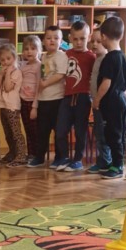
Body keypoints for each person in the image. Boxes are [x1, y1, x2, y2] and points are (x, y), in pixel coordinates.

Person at [92, 15, 126, 179]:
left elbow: (106, 82)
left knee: (113, 134)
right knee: (119, 133)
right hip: (121, 99)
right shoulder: (122, 56)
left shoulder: (109, 58)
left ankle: (117, 165)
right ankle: (117, 163)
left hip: (112, 102)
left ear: (104, 37)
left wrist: (97, 99)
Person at [55, 21, 95, 171]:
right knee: (60, 130)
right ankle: (65, 157)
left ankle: (77, 160)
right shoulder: (66, 55)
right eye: (75, 39)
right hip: (67, 97)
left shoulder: (91, 57)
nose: (79, 42)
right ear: (70, 38)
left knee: (80, 131)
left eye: (82, 38)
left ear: (88, 37)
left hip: (83, 97)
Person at [29, 26, 68, 168]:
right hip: (43, 100)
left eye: (56, 38)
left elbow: (61, 74)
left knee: (58, 131)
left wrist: (45, 83)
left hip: (57, 100)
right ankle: (39, 157)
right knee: (42, 131)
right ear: (43, 41)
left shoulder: (61, 55)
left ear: (61, 41)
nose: (52, 40)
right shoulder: (44, 56)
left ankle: (59, 157)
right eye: (49, 38)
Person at [0, 42, 27, 168]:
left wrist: (7, 73)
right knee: (7, 132)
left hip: (12, 106)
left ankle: (21, 155)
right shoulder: (3, 72)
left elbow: (8, 88)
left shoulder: (16, 72)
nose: (5, 62)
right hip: (3, 105)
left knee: (15, 132)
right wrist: (1, 75)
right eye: (2, 60)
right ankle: (12, 153)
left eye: (8, 59)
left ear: (14, 58)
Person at [87, 28, 112, 174]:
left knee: (103, 133)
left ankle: (106, 161)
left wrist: (97, 99)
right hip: (96, 102)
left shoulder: (106, 59)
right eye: (92, 41)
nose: (94, 44)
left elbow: (106, 82)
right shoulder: (96, 58)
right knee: (98, 132)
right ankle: (102, 160)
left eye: (98, 41)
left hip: (103, 103)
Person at [19, 34, 42, 162]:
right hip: (23, 101)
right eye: (26, 49)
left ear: (39, 50)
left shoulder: (39, 66)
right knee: (27, 129)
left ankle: (38, 154)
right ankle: (31, 153)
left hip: (33, 102)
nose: (29, 51)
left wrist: (35, 106)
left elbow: (39, 86)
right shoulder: (23, 66)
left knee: (35, 130)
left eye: (33, 48)